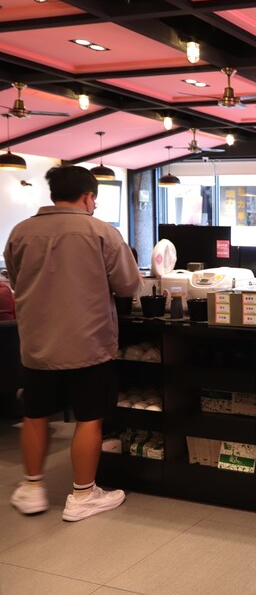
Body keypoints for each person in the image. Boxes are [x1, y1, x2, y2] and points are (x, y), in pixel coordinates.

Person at [4, 165, 142, 521]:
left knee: (35, 414)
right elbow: (129, 285)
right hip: (88, 344)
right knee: (89, 418)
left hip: (36, 346)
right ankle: (83, 495)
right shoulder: (101, 232)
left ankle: (32, 488)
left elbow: (16, 281)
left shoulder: (20, 232)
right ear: (88, 196)